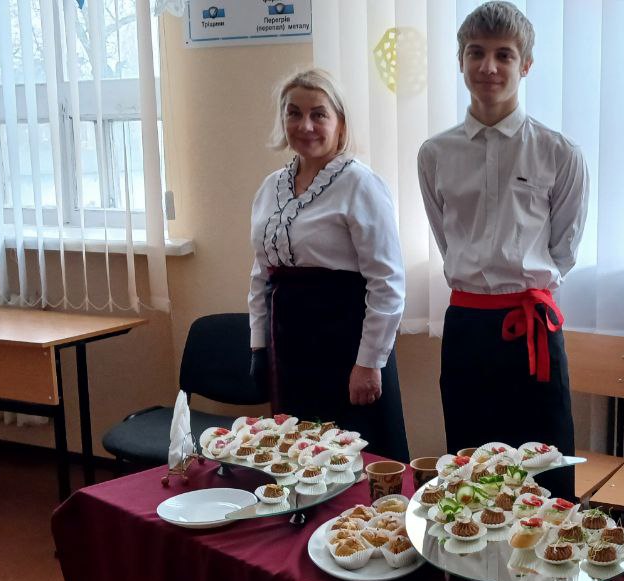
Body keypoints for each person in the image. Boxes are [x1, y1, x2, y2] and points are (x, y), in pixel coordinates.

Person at [418, 1, 589, 498]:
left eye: (504, 55)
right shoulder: (435, 154)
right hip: (467, 327)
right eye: (476, 53)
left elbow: (564, 248)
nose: (488, 66)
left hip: (533, 328)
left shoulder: (559, 152)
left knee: (546, 469)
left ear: (525, 64)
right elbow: (446, 237)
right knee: (471, 469)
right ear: (461, 60)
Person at [248, 68, 410, 462]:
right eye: (294, 113)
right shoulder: (270, 187)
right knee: (298, 459)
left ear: (340, 122)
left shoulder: (361, 185)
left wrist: (368, 364)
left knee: (353, 462)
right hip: (290, 349)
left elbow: (387, 283)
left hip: (346, 347)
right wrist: (258, 346)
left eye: (318, 114)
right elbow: (260, 274)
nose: (305, 125)